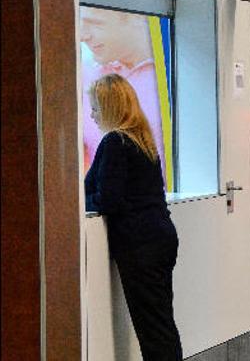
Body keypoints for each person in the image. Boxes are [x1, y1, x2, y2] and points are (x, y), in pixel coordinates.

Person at [84, 73, 182, 360]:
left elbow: (108, 199)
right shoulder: (142, 140)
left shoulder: (115, 142)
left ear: (110, 107)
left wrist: (78, 201)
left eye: (96, 107)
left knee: (153, 328)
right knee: (161, 322)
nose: (92, 114)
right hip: (160, 237)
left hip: (140, 247)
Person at [81, 6, 167, 175]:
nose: (83, 36)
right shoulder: (84, 73)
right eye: (81, 22)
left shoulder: (170, 73)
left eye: (96, 23)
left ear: (136, 18)